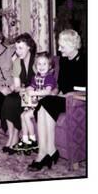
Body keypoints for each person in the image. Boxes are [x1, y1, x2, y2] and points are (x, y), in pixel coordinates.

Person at [28, 29, 86, 171]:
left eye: (62, 46)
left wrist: (70, 94)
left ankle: (44, 153)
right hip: (62, 99)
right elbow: (59, 86)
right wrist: (54, 93)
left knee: (45, 103)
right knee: (44, 105)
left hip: (76, 101)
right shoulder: (64, 61)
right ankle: (50, 151)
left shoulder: (86, 61)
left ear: (72, 45)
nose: (59, 49)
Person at [0, 33, 37, 155]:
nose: (18, 51)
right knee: (9, 100)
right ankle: (11, 137)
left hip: (35, 94)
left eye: (21, 48)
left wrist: (28, 91)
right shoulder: (16, 62)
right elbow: (16, 86)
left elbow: (41, 81)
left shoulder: (37, 61)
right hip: (22, 92)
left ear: (29, 47)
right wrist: (20, 90)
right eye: (16, 48)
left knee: (15, 101)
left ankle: (15, 137)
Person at [13, 52, 56, 153]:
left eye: (44, 64)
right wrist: (25, 90)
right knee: (22, 115)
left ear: (49, 66)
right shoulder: (36, 77)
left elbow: (47, 91)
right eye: (39, 64)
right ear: (36, 66)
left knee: (27, 116)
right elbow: (31, 87)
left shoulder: (49, 77)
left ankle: (33, 140)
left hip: (45, 106)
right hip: (35, 104)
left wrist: (33, 93)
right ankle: (25, 140)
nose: (41, 67)